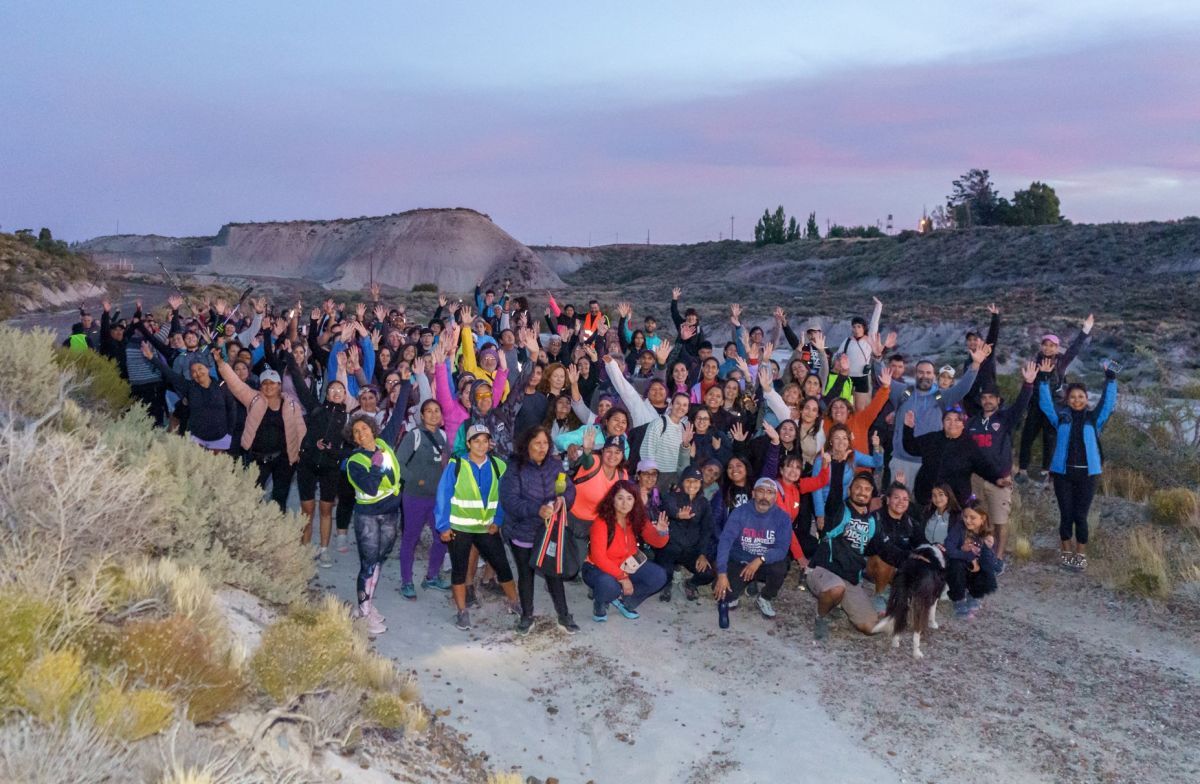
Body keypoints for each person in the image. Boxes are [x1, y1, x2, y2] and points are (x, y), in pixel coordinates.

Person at [434, 424, 520, 630]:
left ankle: (514, 603)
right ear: (468, 443)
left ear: (490, 443)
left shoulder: (499, 465)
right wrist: (443, 526)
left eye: (484, 441)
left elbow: (504, 496)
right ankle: (462, 612)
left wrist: (498, 520)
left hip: (486, 528)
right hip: (460, 528)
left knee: (502, 565)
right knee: (459, 570)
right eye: (476, 441)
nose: (481, 445)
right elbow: (443, 495)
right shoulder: (456, 465)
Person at [1039, 356, 1118, 572]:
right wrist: (1044, 380)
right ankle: (1066, 553)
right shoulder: (1061, 418)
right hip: (1063, 475)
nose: (1076, 400)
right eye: (1072, 397)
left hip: (1088, 475)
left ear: (1086, 399)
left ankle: (1080, 555)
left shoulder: (1094, 419)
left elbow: (1108, 403)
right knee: (1066, 515)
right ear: (1067, 399)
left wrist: (1110, 380)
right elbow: (1046, 405)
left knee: (1080, 516)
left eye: (1080, 396)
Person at [499, 426, 580, 635]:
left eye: (545, 443)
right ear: (527, 445)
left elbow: (569, 488)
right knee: (526, 574)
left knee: (553, 571)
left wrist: (563, 499)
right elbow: (510, 501)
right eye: (537, 443)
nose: (542, 448)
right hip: (522, 530)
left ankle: (563, 615)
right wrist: (537, 509)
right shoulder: (515, 468)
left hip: (549, 530)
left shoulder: (554, 465)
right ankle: (527, 616)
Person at [887, 343, 989, 493]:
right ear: (916, 374)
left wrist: (975, 365)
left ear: (934, 375)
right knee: (898, 504)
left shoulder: (942, 396)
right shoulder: (902, 392)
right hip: (902, 461)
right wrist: (876, 358)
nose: (924, 376)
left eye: (928, 373)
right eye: (921, 372)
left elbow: (963, 388)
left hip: (930, 463)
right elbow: (881, 379)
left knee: (926, 505)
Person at [215, 348, 306, 510]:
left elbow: (301, 429)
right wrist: (221, 363)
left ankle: (278, 531)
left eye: (272, 383)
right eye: (265, 383)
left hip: (284, 460)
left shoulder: (291, 404)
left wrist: (301, 453)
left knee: (280, 499)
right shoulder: (253, 398)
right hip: (257, 458)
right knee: (252, 497)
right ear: (260, 385)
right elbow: (234, 383)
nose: (268, 386)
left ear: (279, 385)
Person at [966, 360, 1037, 568]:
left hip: (1000, 480)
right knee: (975, 518)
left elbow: (1020, 406)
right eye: (984, 397)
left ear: (998, 400)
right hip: (975, 480)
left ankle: (998, 559)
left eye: (991, 397)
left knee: (999, 521)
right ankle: (977, 554)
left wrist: (1028, 385)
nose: (987, 401)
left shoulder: (1005, 419)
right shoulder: (972, 422)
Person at [343, 411, 404, 636]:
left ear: (372, 429)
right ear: (354, 438)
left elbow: (397, 420)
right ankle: (364, 611)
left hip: (390, 512)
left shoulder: (383, 444)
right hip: (368, 516)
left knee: (378, 560)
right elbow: (369, 487)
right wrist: (376, 466)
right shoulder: (354, 462)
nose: (362, 433)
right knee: (368, 564)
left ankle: (366, 606)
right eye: (356, 432)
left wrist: (408, 380)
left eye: (365, 429)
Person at [807, 474, 889, 639]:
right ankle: (820, 617)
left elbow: (884, 548)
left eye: (867, 489)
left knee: (871, 627)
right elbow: (834, 494)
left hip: (850, 579)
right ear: (849, 489)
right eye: (858, 487)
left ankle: (838, 604)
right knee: (836, 588)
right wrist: (838, 462)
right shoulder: (839, 509)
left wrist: (913, 556)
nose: (862, 492)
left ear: (872, 493)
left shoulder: (872, 522)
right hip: (823, 570)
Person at [1016, 314, 1094, 484]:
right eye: (1045, 345)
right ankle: (1022, 471)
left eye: (1052, 346)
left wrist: (1085, 329)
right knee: (1027, 437)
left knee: (1050, 439)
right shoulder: (1034, 363)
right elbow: (1028, 385)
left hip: (1053, 407)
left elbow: (1074, 348)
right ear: (1041, 346)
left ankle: (1046, 472)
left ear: (1057, 348)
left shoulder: (1061, 363)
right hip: (1036, 406)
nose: (1048, 348)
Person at [582, 480, 670, 622]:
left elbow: (657, 543)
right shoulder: (602, 522)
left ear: (635, 500)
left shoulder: (637, 517)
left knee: (659, 576)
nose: (625, 503)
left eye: (629, 498)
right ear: (612, 499)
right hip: (597, 568)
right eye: (620, 498)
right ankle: (600, 602)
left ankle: (624, 602)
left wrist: (661, 532)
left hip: (628, 564)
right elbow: (599, 558)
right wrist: (623, 578)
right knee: (609, 585)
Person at [714, 477, 794, 619]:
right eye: (761, 491)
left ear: (775, 497)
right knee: (723, 595)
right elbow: (725, 542)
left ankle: (765, 597)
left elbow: (782, 549)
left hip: (764, 562)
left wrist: (760, 559)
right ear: (753, 493)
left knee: (781, 567)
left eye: (770, 492)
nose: (765, 496)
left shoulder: (783, 518)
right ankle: (742, 586)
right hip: (741, 561)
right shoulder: (739, 513)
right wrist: (721, 573)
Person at [395, 399, 452, 598]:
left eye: (437, 410)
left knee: (441, 538)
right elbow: (398, 463)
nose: (433, 414)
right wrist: (415, 480)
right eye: (429, 411)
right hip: (415, 497)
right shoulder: (414, 436)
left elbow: (448, 465)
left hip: (437, 499)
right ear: (422, 415)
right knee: (411, 538)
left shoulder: (443, 436)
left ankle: (432, 577)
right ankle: (407, 581)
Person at [902, 407, 1011, 509]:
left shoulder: (969, 445)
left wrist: (997, 478)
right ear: (943, 423)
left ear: (963, 424)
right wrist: (908, 428)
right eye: (948, 419)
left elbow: (983, 466)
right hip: (927, 499)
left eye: (957, 420)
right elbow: (911, 447)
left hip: (955, 503)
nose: (952, 423)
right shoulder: (932, 438)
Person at [654, 466, 716, 602]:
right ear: (682, 482)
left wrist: (702, 554)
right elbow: (667, 507)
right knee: (664, 573)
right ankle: (667, 584)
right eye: (688, 481)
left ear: (700, 484)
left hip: (691, 551)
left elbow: (707, 530)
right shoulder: (671, 496)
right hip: (670, 548)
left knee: (708, 574)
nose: (692, 485)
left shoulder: (704, 504)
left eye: (696, 481)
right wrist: (677, 514)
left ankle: (691, 584)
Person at [944, 498, 998, 619]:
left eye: (972, 518)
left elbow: (992, 562)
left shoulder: (987, 536)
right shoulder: (959, 528)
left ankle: (974, 595)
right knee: (955, 564)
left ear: (983, 518)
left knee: (987, 566)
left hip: (976, 571)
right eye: (965, 516)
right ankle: (958, 599)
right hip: (961, 567)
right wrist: (966, 554)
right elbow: (949, 548)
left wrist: (987, 551)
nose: (967, 521)